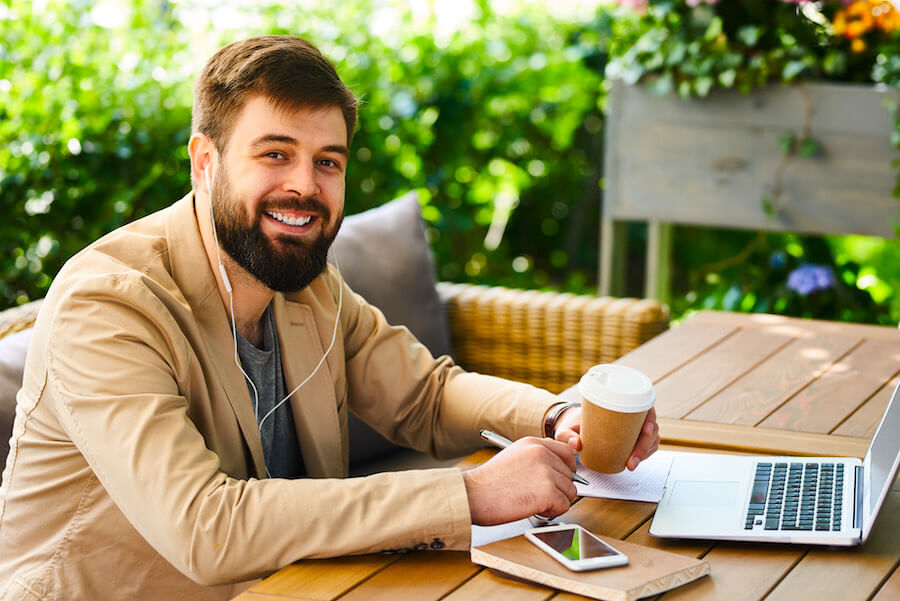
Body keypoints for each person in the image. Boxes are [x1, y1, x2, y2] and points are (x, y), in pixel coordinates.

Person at [0, 36, 659, 600]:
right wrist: (470, 493)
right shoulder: (108, 303)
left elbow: (427, 395)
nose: (305, 187)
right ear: (205, 162)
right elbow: (204, 525)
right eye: (275, 153)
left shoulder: (304, 281)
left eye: (328, 162)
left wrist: (556, 416)